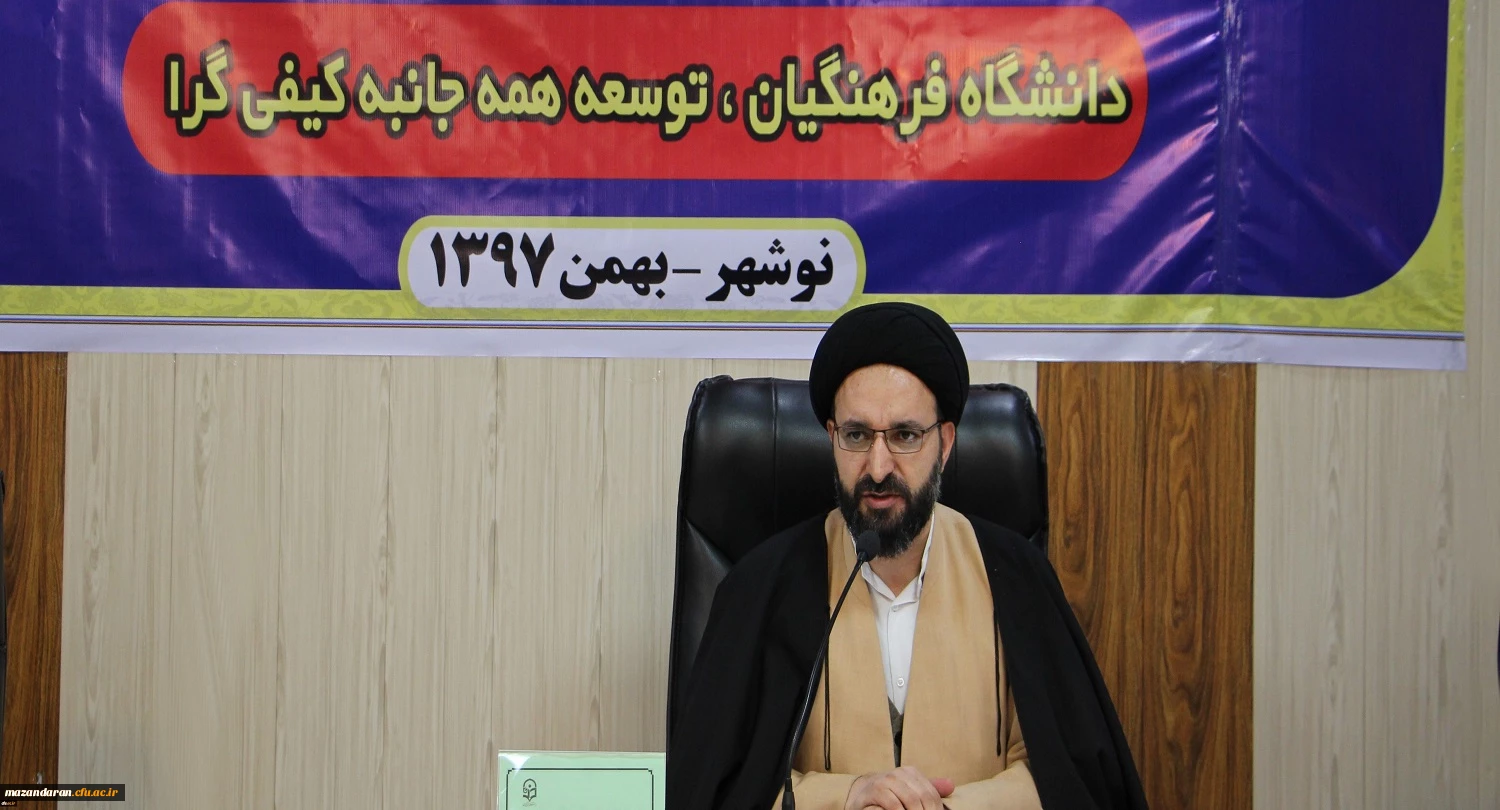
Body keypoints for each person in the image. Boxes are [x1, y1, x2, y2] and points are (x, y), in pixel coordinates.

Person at [665, 302, 1148, 810]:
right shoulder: (761, 588)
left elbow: (1070, 779)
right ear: (831, 438)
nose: (878, 468)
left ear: (945, 443)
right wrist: (848, 797)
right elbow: (717, 790)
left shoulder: (1016, 580)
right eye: (856, 436)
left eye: (905, 436)